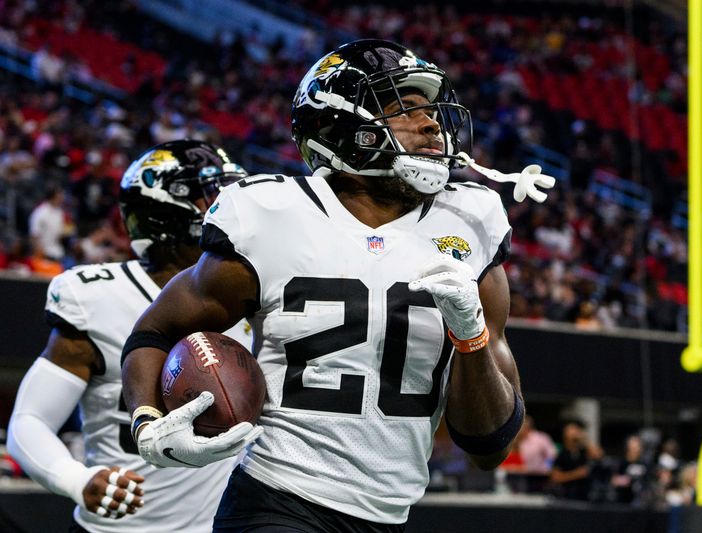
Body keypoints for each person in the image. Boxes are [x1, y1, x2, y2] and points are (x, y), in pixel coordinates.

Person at [121, 39, 554, 531]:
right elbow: (155, 332)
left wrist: (470, 335)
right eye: (404, 109)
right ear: (342, 127)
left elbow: (490, 443)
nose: (432, 123)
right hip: (277, 497)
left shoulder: (471, 220)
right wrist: (148, 421)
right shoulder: (273, 214)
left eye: (430, 110)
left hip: (388, 513)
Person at [7, 140, 250, 532]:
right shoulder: (98, 297)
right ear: (164, 213)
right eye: (210, 195)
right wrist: (77, 479)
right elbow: (29, 421)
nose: (226, 205)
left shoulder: (248, 290)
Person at [550, 419, 605, 501]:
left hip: (586, 496)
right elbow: (555, 478)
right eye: (572, 429)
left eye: (577, 429)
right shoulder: (562, 455)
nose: (575, 432)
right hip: (567, 496)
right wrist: (576, 474)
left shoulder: (584, 451)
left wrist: (584, 438)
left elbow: (598, 455)